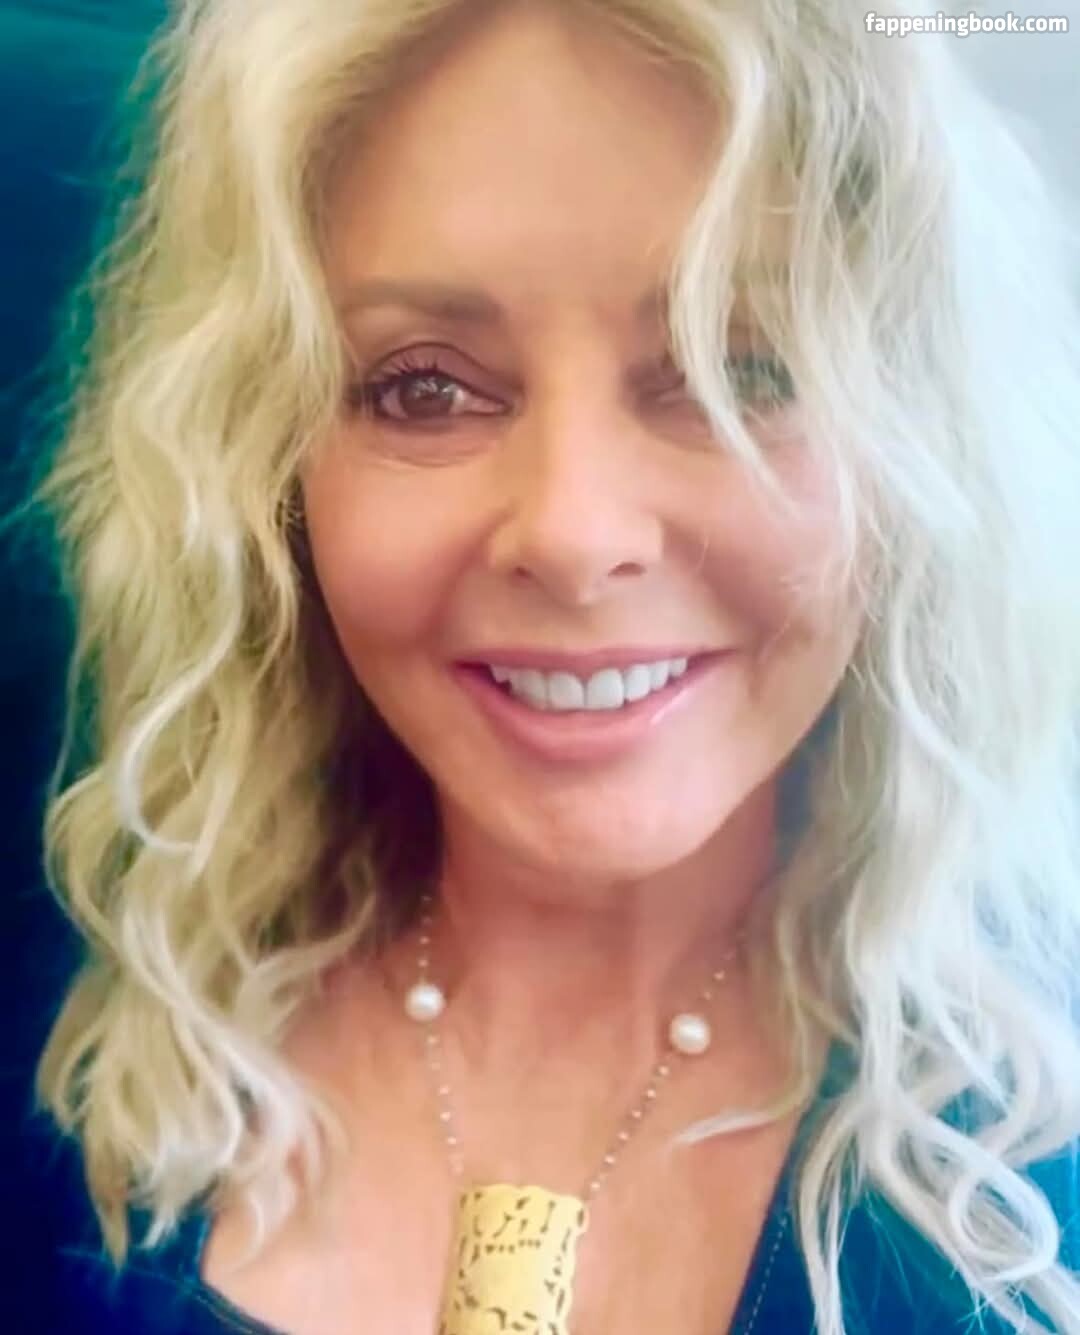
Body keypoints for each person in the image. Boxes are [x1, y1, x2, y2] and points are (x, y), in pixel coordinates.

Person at [11, 0, 1080, 1331]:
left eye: (734, 366)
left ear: (920, 448)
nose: (574, 533)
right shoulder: (72, 1026)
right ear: (270, 467)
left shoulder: (1038, 1176)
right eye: (424, 388)